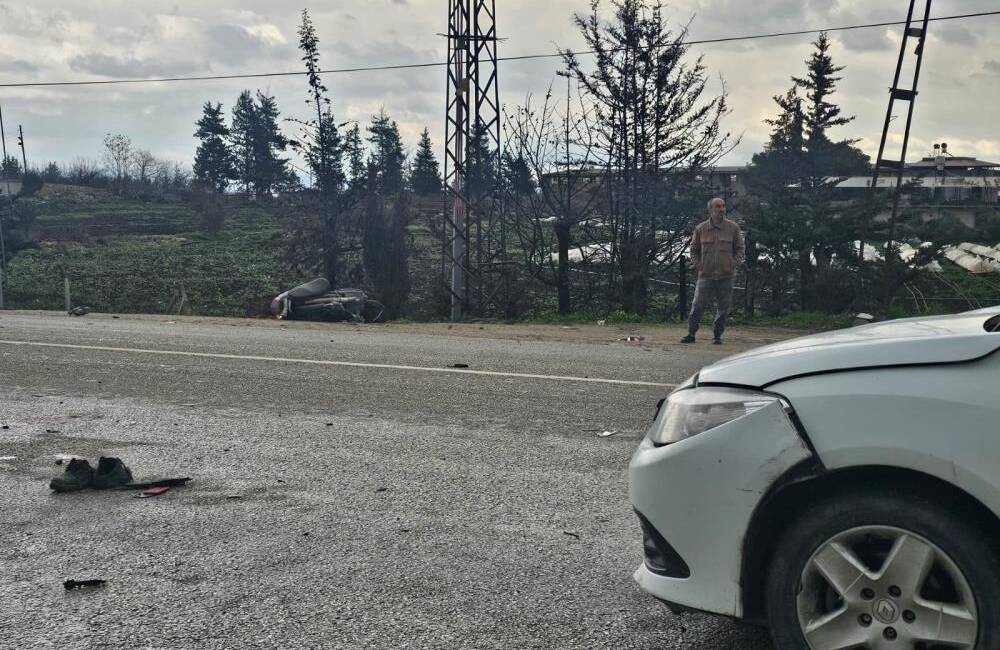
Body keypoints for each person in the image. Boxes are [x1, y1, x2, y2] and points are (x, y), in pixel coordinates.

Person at [681, 197, 744, 345]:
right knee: (697, 306)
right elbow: (693, 250)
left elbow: (740, 248)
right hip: (706, 275)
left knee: (723, 308)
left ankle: (717, 336)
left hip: (726, 275)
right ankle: (691, 334)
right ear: (710, 209)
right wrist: (699, 265)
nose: (721, 209)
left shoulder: (733, 228)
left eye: (723, 206)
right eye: (718, 206)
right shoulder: (701, 229)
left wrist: (733, 264)